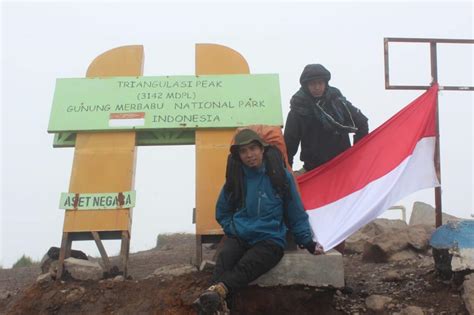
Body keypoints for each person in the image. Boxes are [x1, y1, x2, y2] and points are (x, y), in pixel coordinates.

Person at [193, 128, 323, 315]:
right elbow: (222, 211)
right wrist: (234, 229)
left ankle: (215, 294)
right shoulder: (236, 178)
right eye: (243, 151)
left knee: (248, 265)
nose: (249, 155)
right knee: (224, 260)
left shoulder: (280, 175)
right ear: (238, 156)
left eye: (253, 149)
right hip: (240, 235)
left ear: (262, 149)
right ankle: (216, 305)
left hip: (270, 239)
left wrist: (308, 242)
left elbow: (296, 212)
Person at [284, 64, 369, 176]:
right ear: (306, 86)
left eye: (320, 83)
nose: (317, 87)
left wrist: (355, 155)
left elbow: (362, 122)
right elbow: (289, 145)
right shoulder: (298, 110)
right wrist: (287, 175)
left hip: (343, 166)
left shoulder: (338, 102)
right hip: (313, 169)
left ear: (325, 83)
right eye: (313, 84)